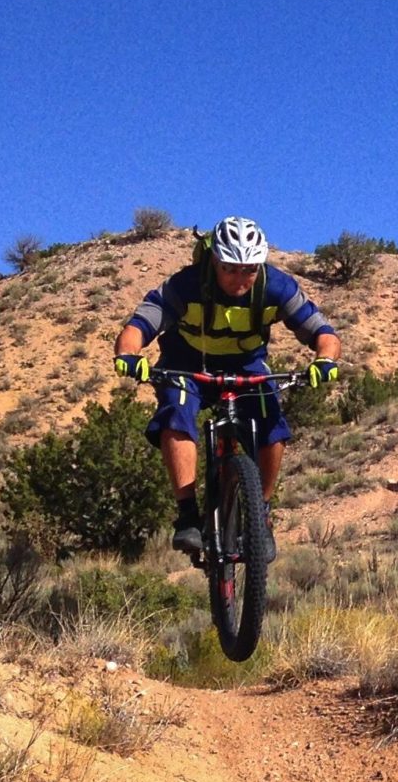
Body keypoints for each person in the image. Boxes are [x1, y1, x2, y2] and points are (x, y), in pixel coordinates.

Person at [114, 217, 340, 558]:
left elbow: (323, 332)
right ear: (215, 262)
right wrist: (129, 355)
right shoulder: (185, 286)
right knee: (176, 409)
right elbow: (140, 324)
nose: (240, 278)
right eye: (230, 269)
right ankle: (188, 515)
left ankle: (260, 513)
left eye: (249, 269)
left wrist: (324, 360)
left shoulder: (275, 287)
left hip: (245, 364)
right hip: (186, 363)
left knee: (272, 419)